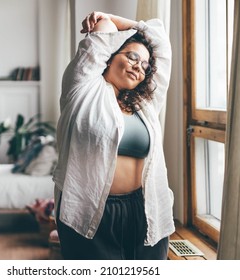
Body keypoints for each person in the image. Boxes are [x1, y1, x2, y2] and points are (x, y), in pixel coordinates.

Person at [52, 11, 175, 260]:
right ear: (109, 57)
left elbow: (161, 40)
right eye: (132, 57)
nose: (138, 67)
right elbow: (103, 29)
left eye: (144, 66)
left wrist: (124, 21)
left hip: (144, 209)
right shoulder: (82, 88)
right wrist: (107, 18)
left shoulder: (147, 103)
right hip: (90, 210)